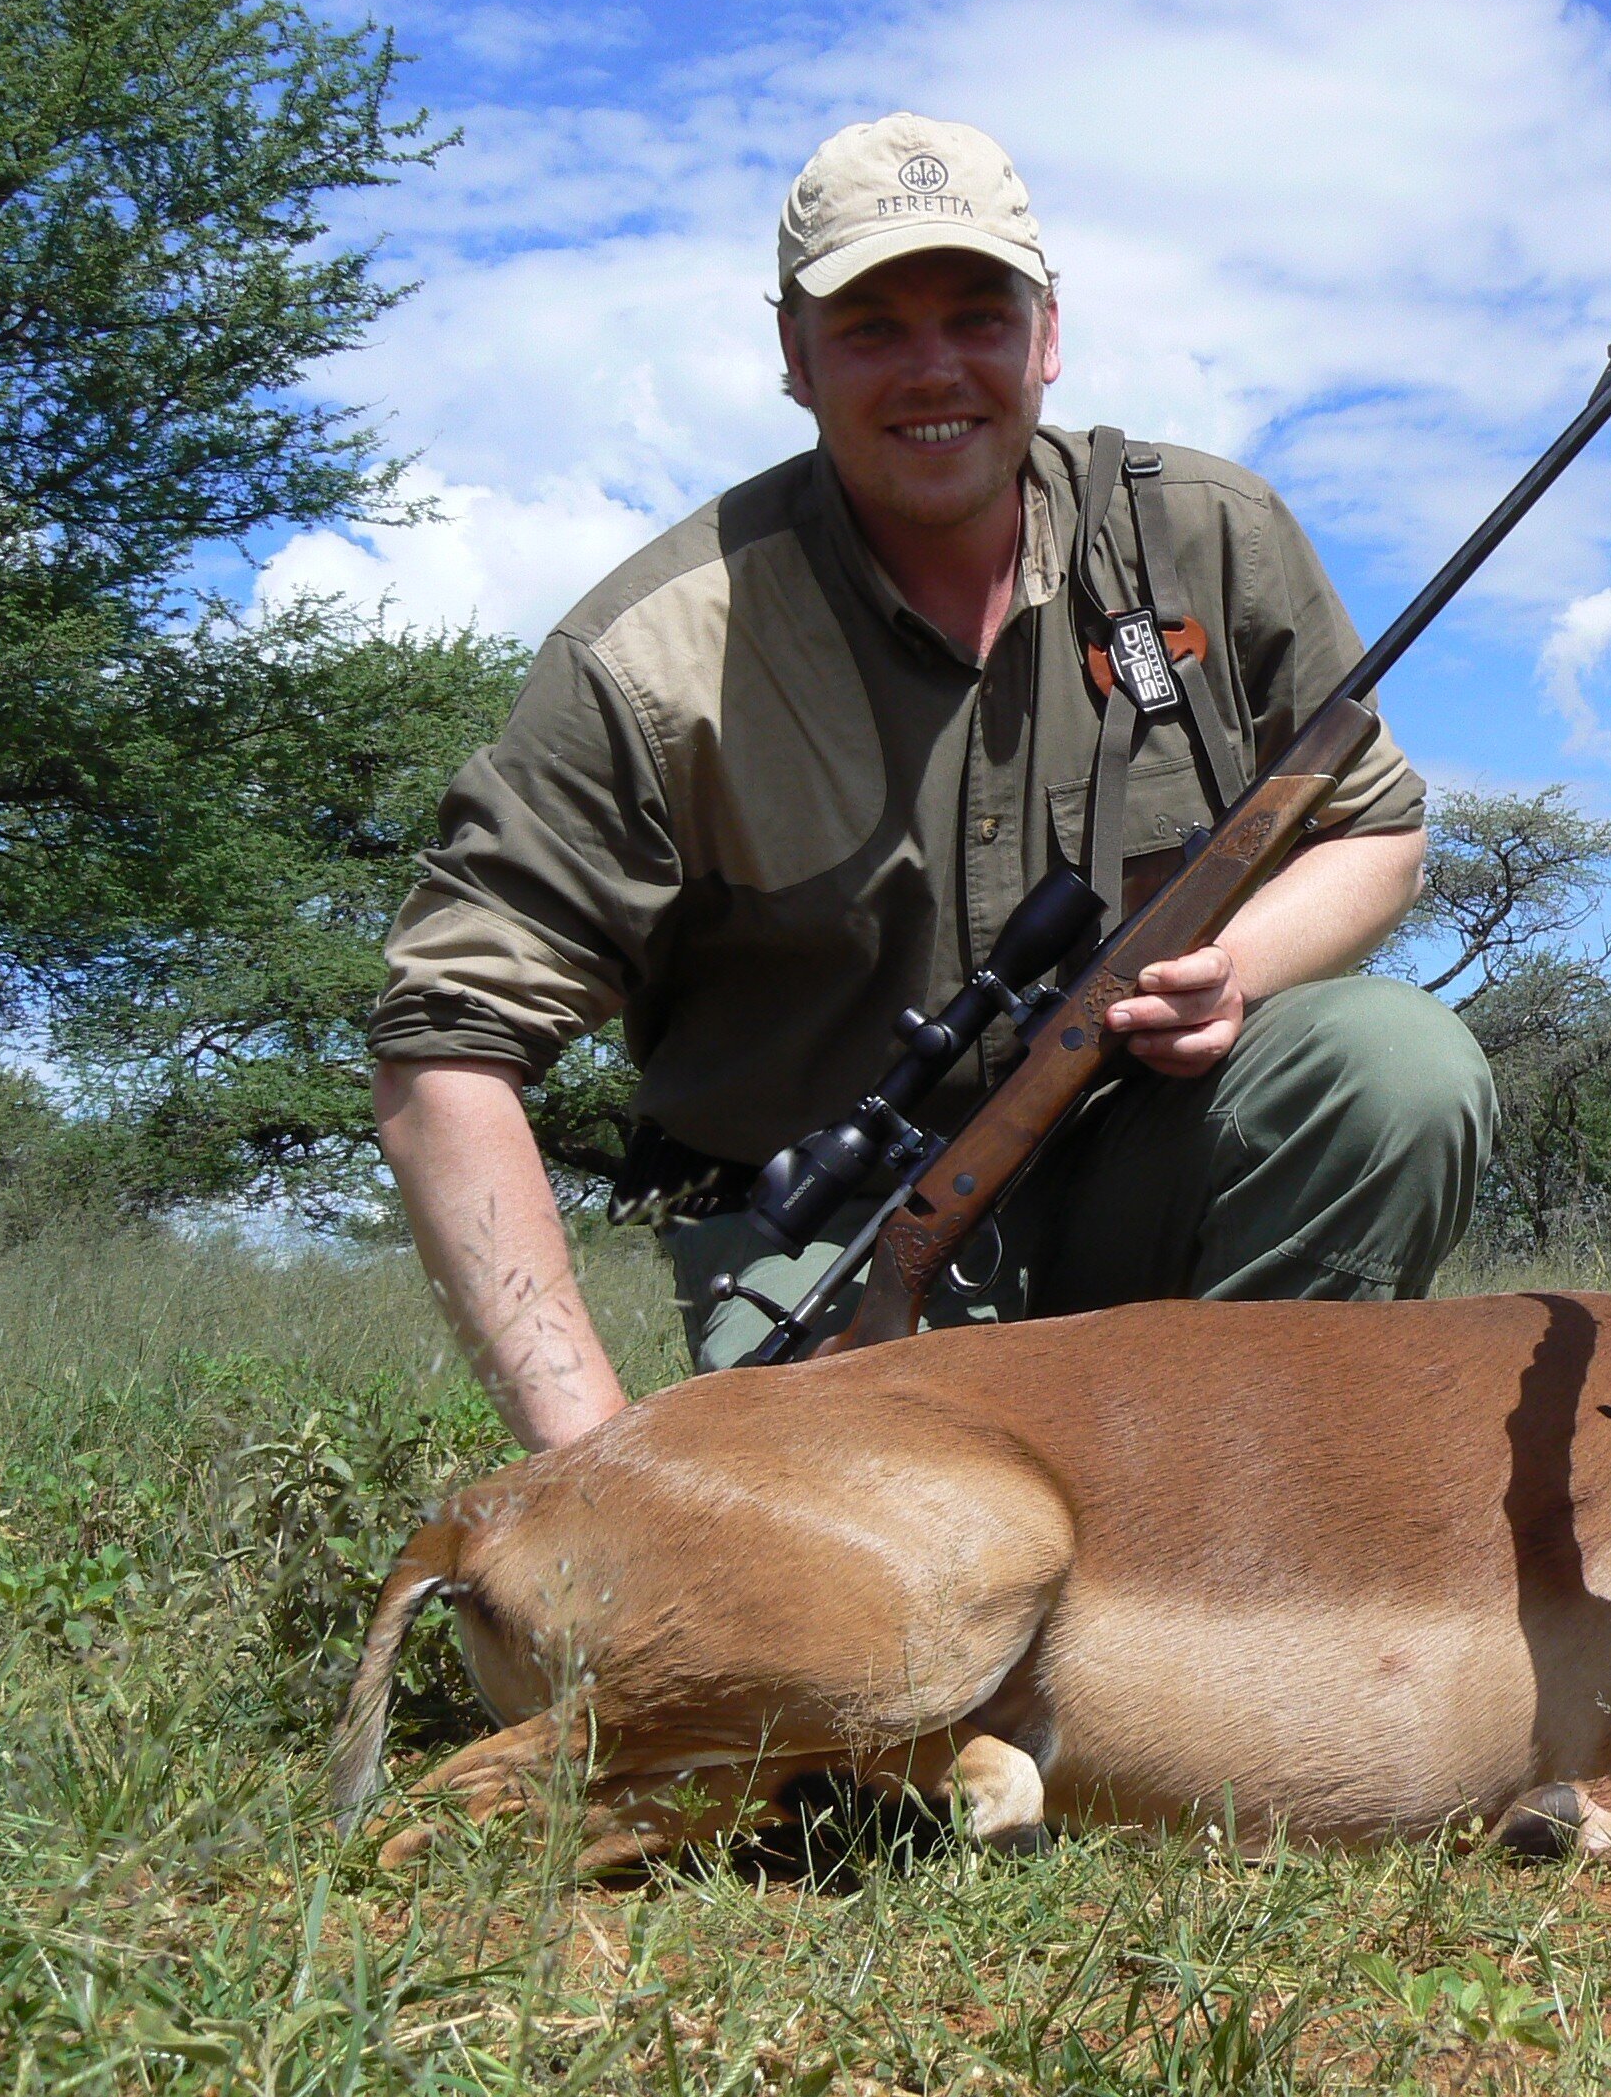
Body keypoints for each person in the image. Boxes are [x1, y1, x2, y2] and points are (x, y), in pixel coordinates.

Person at [368, 113, 1493, 1452]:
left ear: (1048, 335)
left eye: (977, 315)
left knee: (1394, 1066)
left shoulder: (1207, 536)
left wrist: (1239, 967)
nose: (934, 369)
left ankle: (1241, 1544)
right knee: (823, 1611)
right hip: (832, 1240)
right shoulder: (651, 654)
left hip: (1132, 1156)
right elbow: (442, 1046)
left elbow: (1373, 826)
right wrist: (590, 1464)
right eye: (872, 328)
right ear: (793, 356)